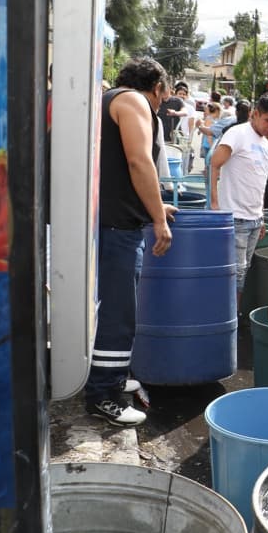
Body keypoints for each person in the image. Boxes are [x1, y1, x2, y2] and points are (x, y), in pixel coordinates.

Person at [85, 57, 175, 426]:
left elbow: (121, 170)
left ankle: (111, 377)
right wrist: (157, 220)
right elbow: (140, 162)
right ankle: (103, 395)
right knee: (117, 313)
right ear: (157, 89)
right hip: (115, 229)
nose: (162, 105)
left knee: (110, 310)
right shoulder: (134, 101)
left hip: (104, 223)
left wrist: (156, 204)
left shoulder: (109, 100)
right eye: (164, 98)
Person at [209, 93, 268, 306]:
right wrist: (215, 204)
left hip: (253, 220)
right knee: (235, 274)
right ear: (255, 114)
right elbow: (214, 164)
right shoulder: (237, 133)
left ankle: (231, 316)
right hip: (234, 217)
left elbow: (258, 185)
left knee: (242, 273)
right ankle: (227, 317)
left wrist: (261, 217)